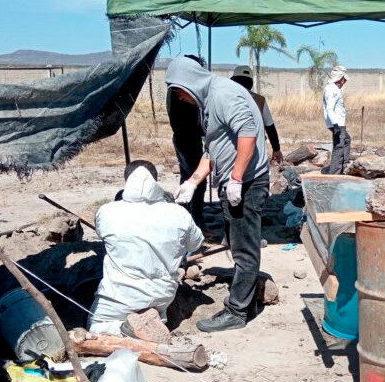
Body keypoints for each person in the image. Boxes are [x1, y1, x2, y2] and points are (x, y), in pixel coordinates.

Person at [166, 57, 270, 332]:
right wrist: (193, 181)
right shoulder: (208, 101)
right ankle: (249, 301)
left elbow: (247, 133)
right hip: (235, 183)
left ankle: (237, 312)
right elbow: (214, 148)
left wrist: (236, 178)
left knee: (244, 249)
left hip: (247, 183)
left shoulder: (223, 94)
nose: (178, 96)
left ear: (190, 81)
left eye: (178, 90)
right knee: (237, 244)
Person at [88, 160, 203, 336]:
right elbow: (195, 244)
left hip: (119, 296)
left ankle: (123, 330)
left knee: (96, 326)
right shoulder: (179, 213)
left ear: (126, 181)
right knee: (157, 312)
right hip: (163, 294)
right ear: (156, 181)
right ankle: (156, 322)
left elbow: (101, 236)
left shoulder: (107, 211)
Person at [168, 54, 207, 228]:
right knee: (197, 180)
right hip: (187, 139)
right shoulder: (181, 90)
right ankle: (196, 221)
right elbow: (190, 118)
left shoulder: (177, 88)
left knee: (187, 178)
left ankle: (186, 217)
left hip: (186, 138)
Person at [230, 65, 284, 165]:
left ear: (234, 80)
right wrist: (276, 148)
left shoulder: (226, 99)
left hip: (232, 148)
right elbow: (269, 126)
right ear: (251, 83)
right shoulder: (260, 100)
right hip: (256, 149)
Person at [323, 65, 351, 174]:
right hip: (337, 123)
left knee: (347, 140)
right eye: (344, 79)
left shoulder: (331, 88)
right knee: (339, 147)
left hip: (337, 123)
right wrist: (335, 125)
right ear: (340, 78)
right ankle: (335, 172)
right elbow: (330, 108)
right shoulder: (333, 90)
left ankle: (344, 166)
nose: (344, 82)